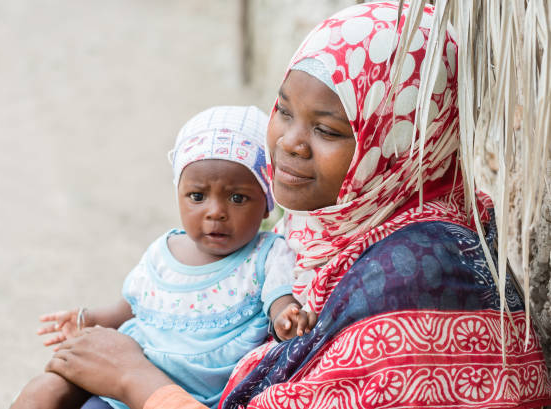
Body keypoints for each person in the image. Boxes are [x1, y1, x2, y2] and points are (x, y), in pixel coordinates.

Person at [44, 2, 551, 409]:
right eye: (283, 110)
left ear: (400, 147)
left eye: (327, 130)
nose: (289, 142)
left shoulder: (418, 285)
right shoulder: (327, 229)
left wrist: (136, 379)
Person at [12, 105, 319, 409]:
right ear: (179, 195)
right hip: (121, 384)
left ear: (266, 204)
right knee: (42, 392)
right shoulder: (164, 251)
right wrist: (89, 318)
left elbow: (279, 299)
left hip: (184, 397)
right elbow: (131, 307)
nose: (215, 212)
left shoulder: (266, 254)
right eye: (197, 196)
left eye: (237, 198)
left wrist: (286, 317)